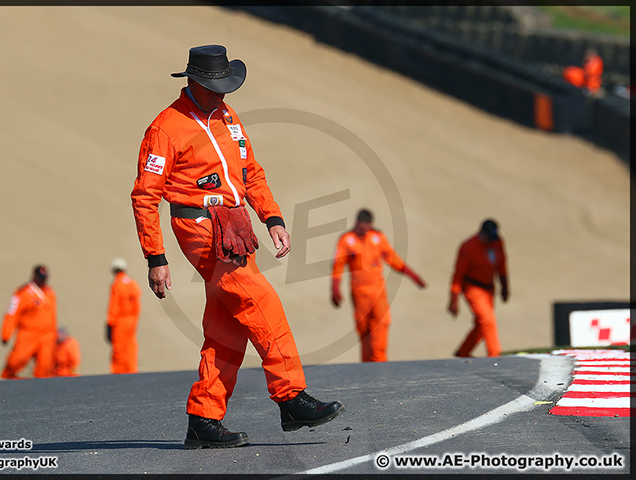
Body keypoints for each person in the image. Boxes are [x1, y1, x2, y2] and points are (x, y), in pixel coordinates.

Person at [131, 45, 344, 449]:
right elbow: (145, 196)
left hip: (234, 226)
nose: (223, 95)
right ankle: (291, 398)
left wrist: (273, 218)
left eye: (226, 87)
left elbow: (250, 172)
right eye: (215, 87)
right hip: (198, 226)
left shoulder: (227, 118)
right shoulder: (166, 128)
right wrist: (155, 256)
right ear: (192, 81)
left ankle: (204, 420)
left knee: (227, 328)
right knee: (261, 302)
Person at [331, 209, 427, 362]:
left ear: (371, 225)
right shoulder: (346, 240)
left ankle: (380, 360)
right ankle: (367, 363)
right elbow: (338, 265)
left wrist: (413, 275)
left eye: (367, 225)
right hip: (359, 292)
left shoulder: (377, 237)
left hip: (377, 289)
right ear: (356, 222)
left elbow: (392, 258)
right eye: (361, 224)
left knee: (382, 322)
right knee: (364, 329)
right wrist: (335, 288)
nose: (364, 229)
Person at [448, 219, 509, 357]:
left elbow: (502, 266)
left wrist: (505, 287)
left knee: (482, 325)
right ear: (481, 233)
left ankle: (462, 353)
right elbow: (457, 275)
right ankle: (495, 355)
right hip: (473, 288)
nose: (490, 240)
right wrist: (453, 299)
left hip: (489, 289)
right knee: (488, 320)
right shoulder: (468, 247)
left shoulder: (497, 243)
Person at [0, 265, 58, 379]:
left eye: (45, 278)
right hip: (28, 334)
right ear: (34, 277)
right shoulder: (23, 293)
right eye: (41, 278)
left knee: (45, 366)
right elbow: (12, 313)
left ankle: (41, 387)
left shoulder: (50, 292)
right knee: (16, 361)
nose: (43, 281)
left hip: (46, 335)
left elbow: (53, 315)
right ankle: (6, 378)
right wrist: (6, 334)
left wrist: (53, 334)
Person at [106, 257, 142, 374]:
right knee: (130, 346)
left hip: (120, 321)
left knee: (119, 349)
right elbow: (137, 304)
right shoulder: (132, 283)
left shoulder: (117, 285)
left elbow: (114, 307)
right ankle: (131, 370)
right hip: (132, 320)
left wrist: (110, 324)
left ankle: (119, 373)